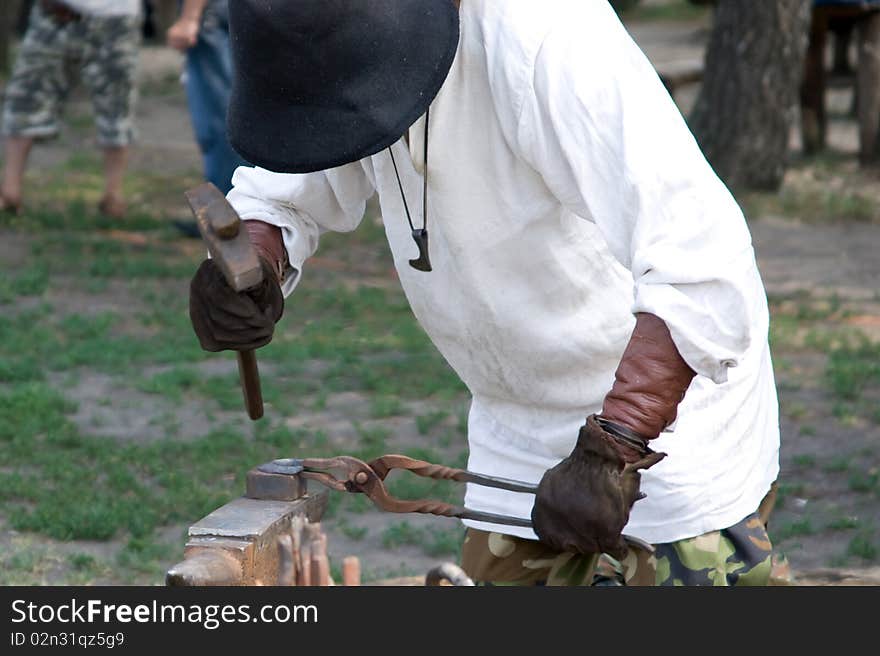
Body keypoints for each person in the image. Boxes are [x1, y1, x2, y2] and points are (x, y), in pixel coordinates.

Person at [189, 0, 788, 586]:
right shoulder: (339, 29)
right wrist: (256, 258)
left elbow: (702, 257)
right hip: (515, 430)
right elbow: (293, 171)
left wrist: (617, 444)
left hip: (667, 435)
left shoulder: (548, 35)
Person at [0, 0, 142, 218]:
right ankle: (9, 193)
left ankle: (113, 197)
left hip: (115, 16)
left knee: (117, 105)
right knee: (24, 98)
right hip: (53, 14)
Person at [166, 0, 246, 237]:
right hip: (240, 15)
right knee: (238, 116)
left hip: (213, 18)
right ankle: (245, 214)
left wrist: (190, 17)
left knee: (219, 124)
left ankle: (225, 218)